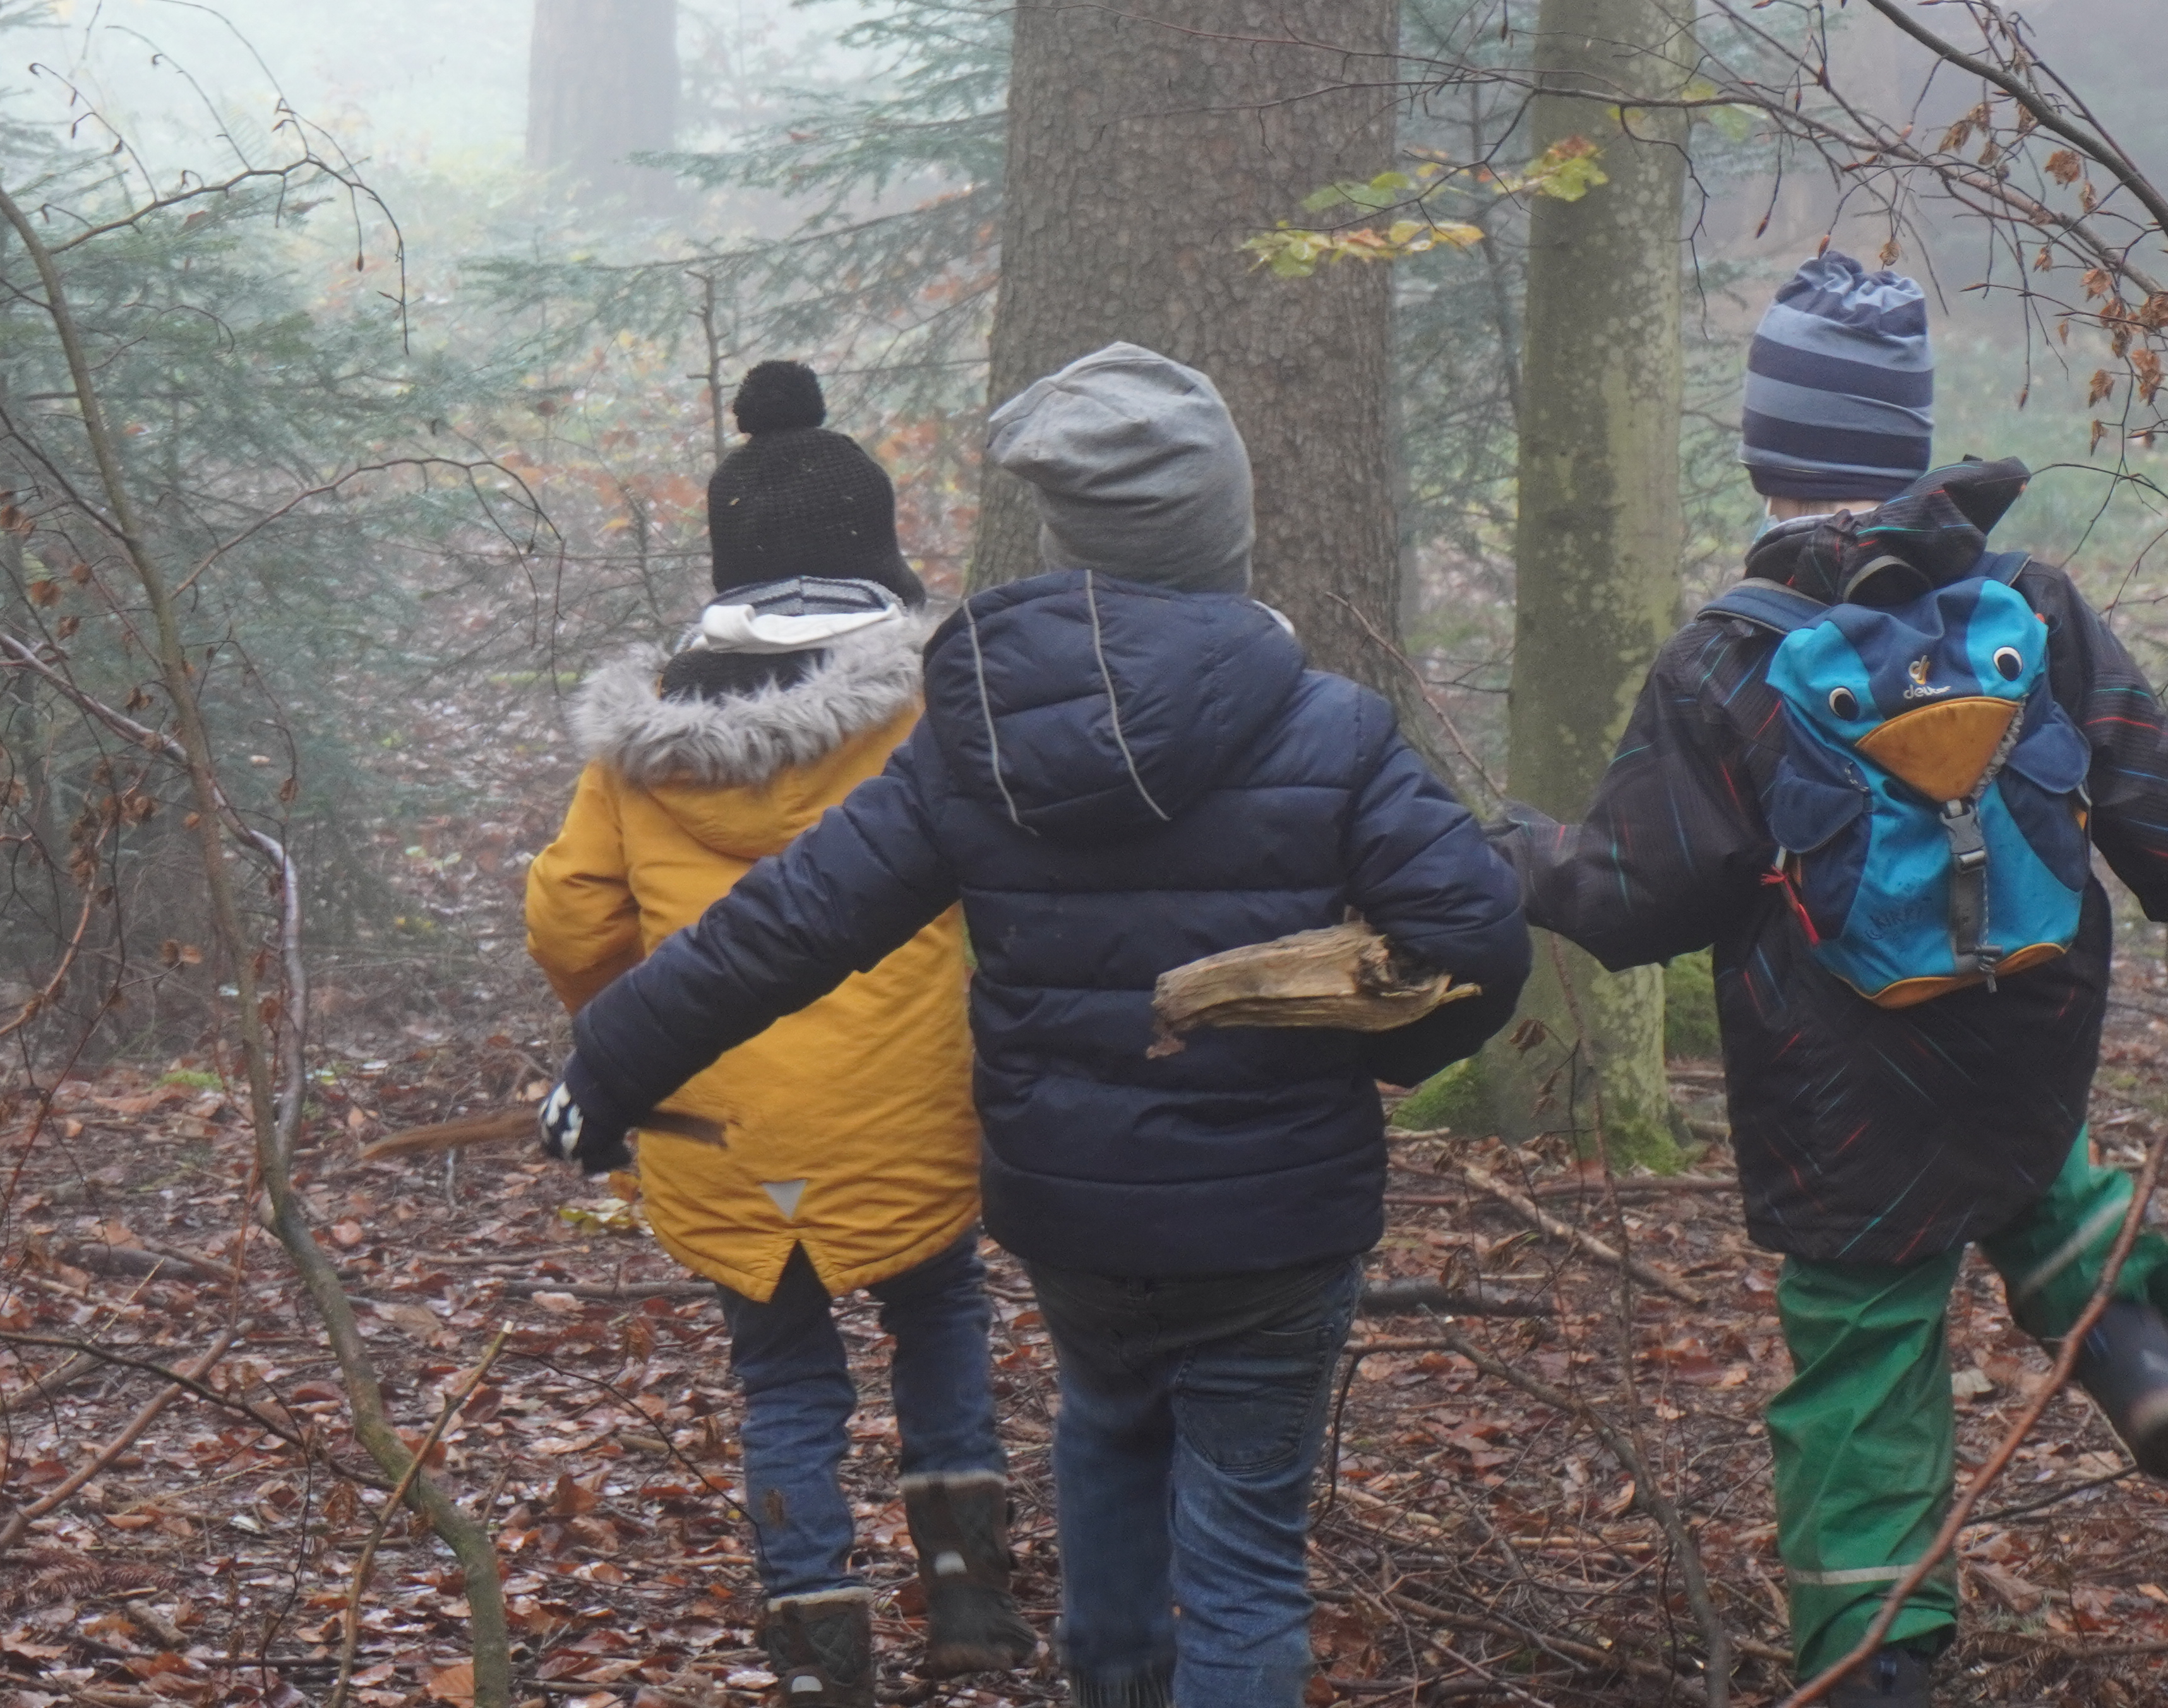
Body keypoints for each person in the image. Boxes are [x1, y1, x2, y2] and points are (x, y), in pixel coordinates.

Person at [539, 341, 1531, 1708]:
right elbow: (1477, 936)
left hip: (1074, 1211)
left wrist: (608, 1060)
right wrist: (1377, 1053)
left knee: (1110, 1434)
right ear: (1224, 531)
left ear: (1070, 532)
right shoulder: (1335, 728)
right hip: (1277, 1215)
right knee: (1243, 1560)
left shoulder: (973, 738)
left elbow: (788, 925)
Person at [1507, 249, 2168, 1705]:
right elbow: (2159, 788)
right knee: (2039, 1172)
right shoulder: (2035, 605)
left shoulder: (1728, 661)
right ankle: (2140, 1360)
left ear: (1761, 450)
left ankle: (1879, 1661)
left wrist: (1520, 853)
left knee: (1865, 1367)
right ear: (1912, 442)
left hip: (1835, 1082)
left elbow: (1631, 898)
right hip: (2027, 1019)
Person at [524, 362, 1034, 1707]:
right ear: (875, 549)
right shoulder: (935, 706)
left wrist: (626, 1033)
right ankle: (970, 1592)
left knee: (782, 1366)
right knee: (938, 1310)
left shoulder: (637, 745)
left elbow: (575, 921)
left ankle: (819, 1636)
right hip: (907, 1098)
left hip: (714, 1115)